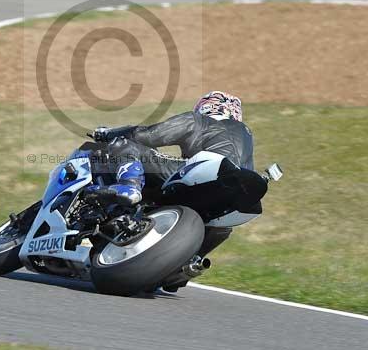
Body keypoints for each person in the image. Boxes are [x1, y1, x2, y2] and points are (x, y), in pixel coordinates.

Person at [88, 91, 268, 260]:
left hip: (204, 172)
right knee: (222, 227)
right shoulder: (246, 135)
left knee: (123, 144)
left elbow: (147, 135)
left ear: (207, 106)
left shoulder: (199, 120)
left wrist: (109, 133)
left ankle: (130, 186)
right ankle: (187, 265)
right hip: (229, 199)